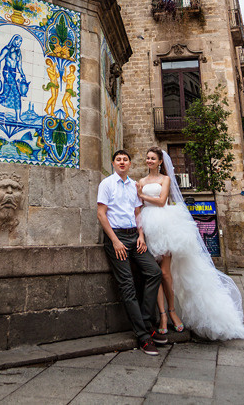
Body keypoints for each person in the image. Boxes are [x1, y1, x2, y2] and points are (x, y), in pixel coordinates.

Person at [137, 147, 244, 341]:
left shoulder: (165, 179)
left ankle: (173, 310)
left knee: (165, 273)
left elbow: (161, 201)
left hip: (164, 224)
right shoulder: (141, 182)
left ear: (160, 162)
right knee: (154, 274)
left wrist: (142, 196)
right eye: (147, 158)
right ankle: (162, 315)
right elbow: (138, 206)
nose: (149, 161)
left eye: (153, 158)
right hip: (147, 225)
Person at [97, 150, 166, 356]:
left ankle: (146, 320)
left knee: (154, 272)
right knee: (127, 284)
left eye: (125, 160)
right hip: (116, 238)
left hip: (134, 237)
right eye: (118, 159)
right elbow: (101, 213)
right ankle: (143, 336)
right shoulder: (106, 184)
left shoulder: (134, 185)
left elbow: (137, 213)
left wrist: (141, 236)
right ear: (113, 163)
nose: (122, 162)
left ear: (129, 164)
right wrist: (115, 241)